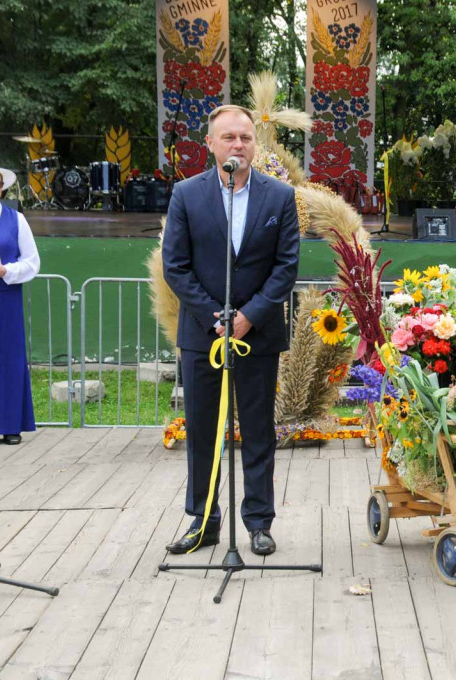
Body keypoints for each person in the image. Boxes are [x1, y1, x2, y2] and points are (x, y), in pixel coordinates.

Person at [162, 105, 300, 556]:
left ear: (254, 144)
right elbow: (175, 266)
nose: (238, 145)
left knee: (258, 431)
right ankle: (203, 522)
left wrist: (249, 317)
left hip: (257, 336)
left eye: (245, 137)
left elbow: (285, 267)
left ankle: (259, 523)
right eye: (228, 138)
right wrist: (214, 316)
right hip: (203, 336)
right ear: (210, 144)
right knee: (202, 433)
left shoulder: (279, 196)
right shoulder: (186, 194)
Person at [0, 163, 40, 445]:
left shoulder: (16, 219)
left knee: (9, 358)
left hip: (5, 297)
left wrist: (7, 271)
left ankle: (11, 424)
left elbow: (32, 262)